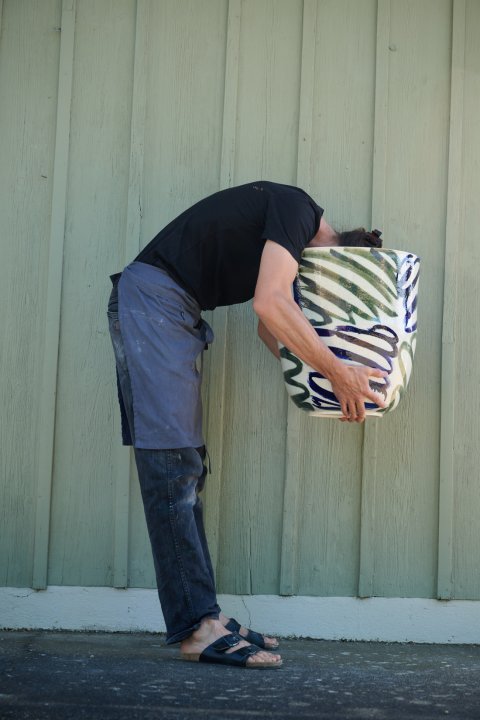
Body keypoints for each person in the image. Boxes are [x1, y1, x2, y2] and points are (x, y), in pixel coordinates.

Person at [107, 180, 386, 669]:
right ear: (339, 260)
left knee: (187, 470)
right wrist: (338, 373)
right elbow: (268, 306)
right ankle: (197, 628)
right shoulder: (298, 210)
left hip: (174, 310)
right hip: (154, 301)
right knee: (172, 469)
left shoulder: (294, 244)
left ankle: (203, 613)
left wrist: (324, 388)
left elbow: (269, 329)